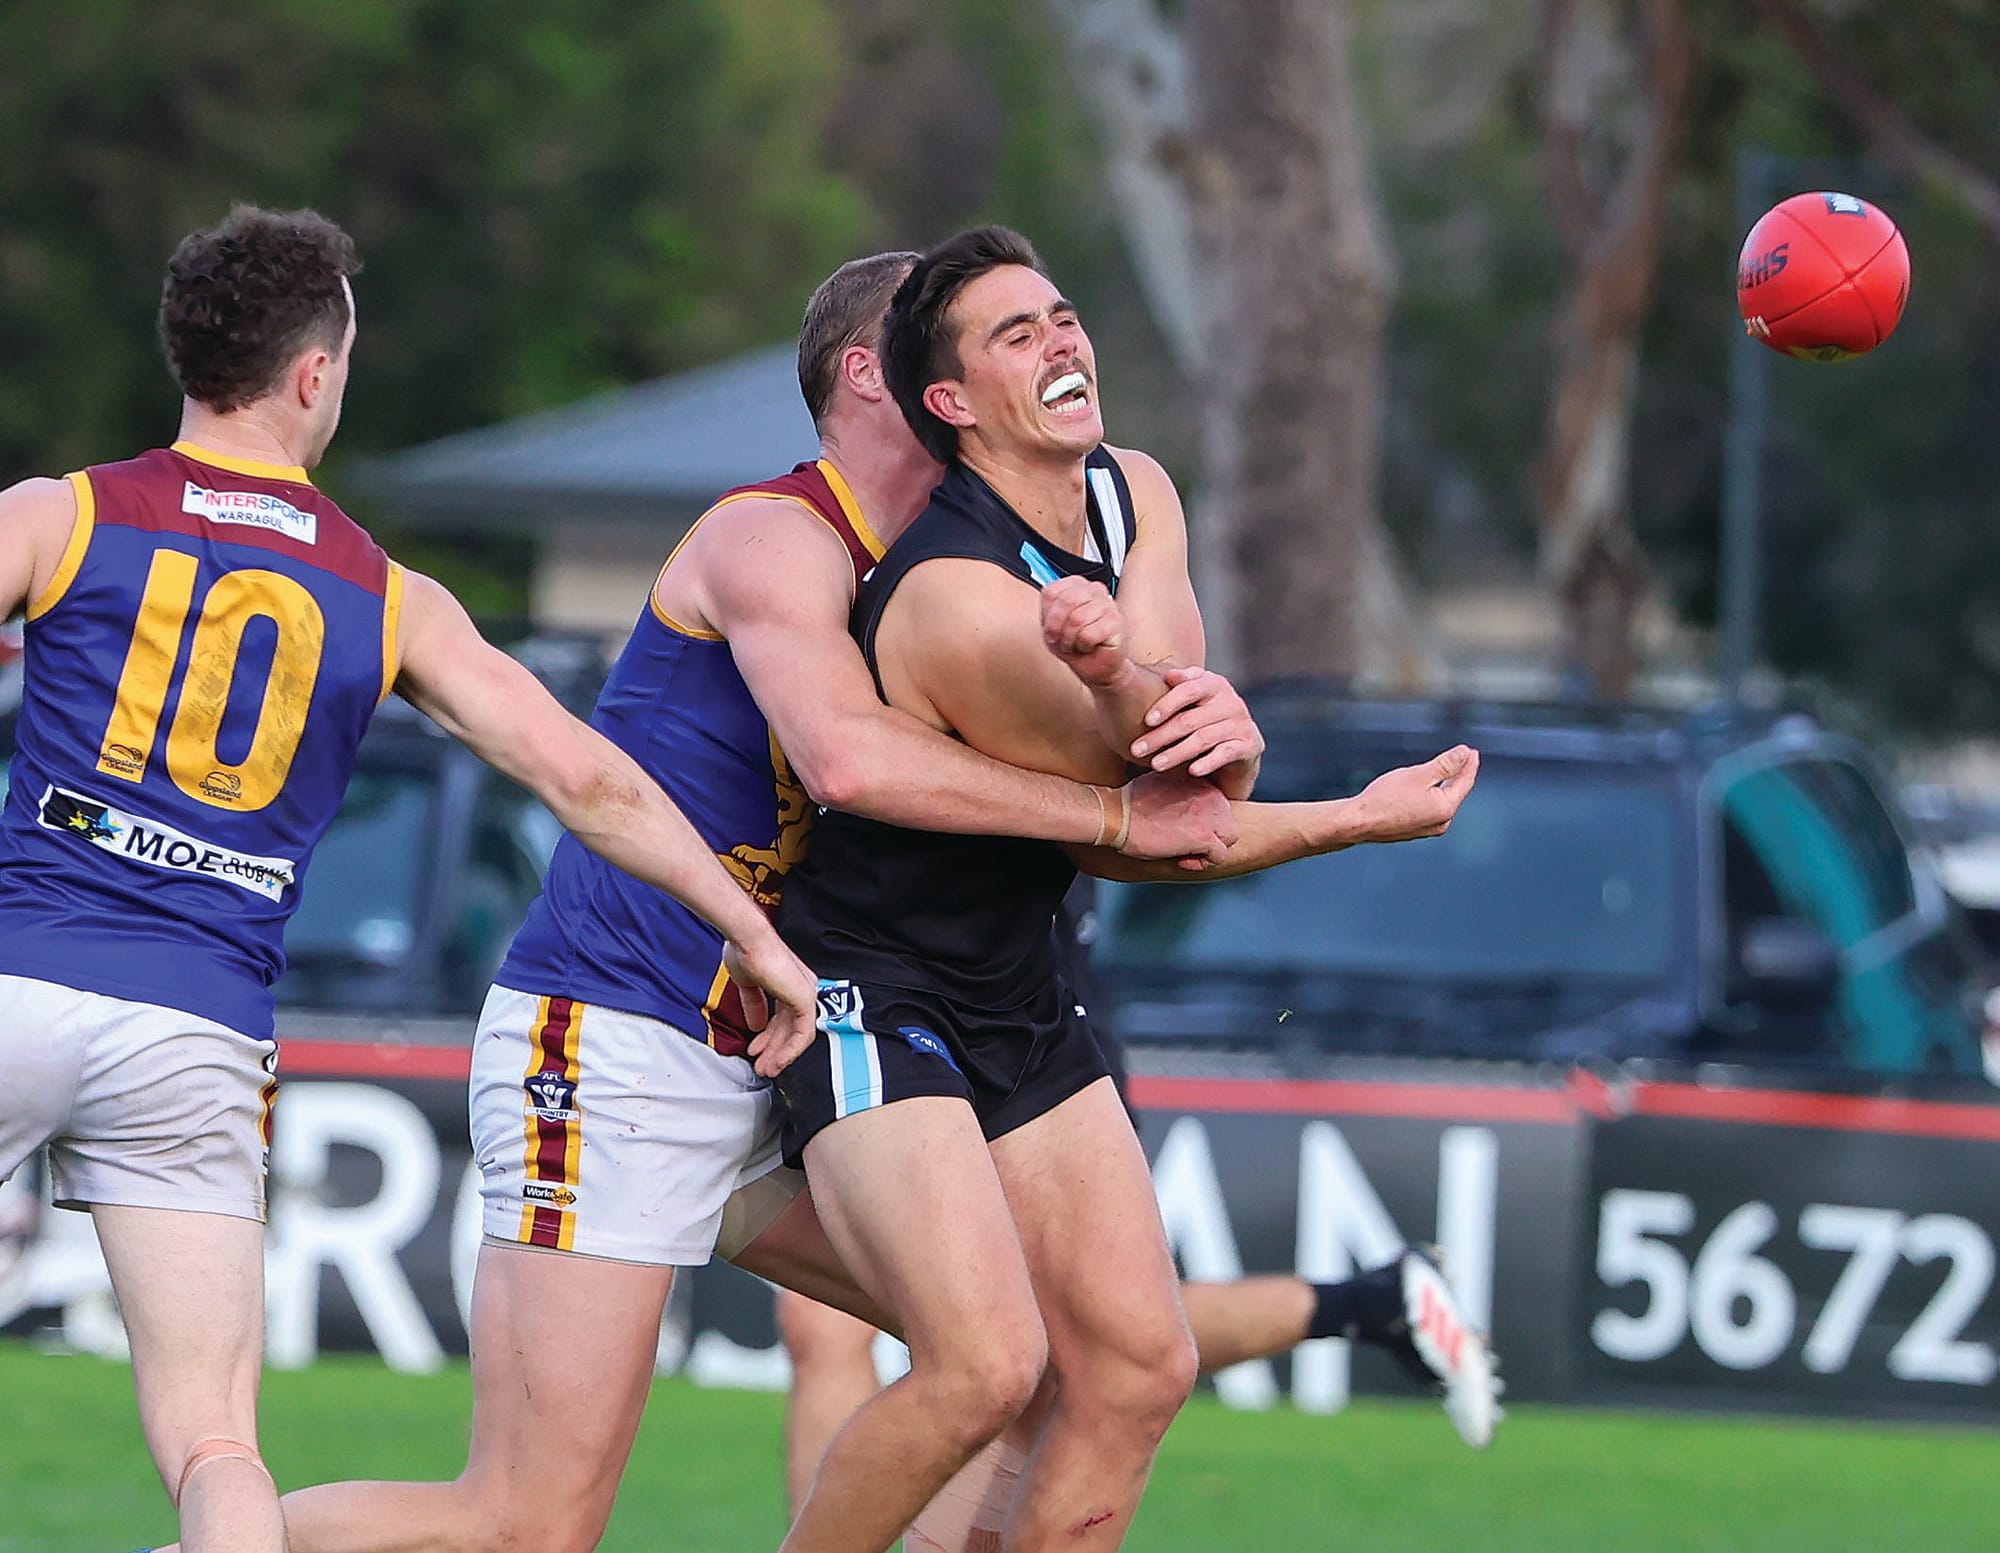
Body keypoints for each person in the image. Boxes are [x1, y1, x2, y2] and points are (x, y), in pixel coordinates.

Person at [167, 253, 1239, 1553]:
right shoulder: (775, 533)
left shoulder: (958, 567)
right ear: (874, 374)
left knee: (1031, 1368)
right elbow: (849, 760)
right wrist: (1119, 813)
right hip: (618, 1037)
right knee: (521, 1523)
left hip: (761, 1048)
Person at [0, 205, 822, 1553]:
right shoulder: (389, 597)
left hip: (21, 977)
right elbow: (596, 786)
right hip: (196, 1027)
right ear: (314, 374)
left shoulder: (65, 516)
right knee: (215, 1442)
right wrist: (758, 939)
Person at [768, 226, 1479, 1553]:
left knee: (1139, 1367)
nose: (1062, 343)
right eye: (1015, 335)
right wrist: (1360, 816)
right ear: (953, 403)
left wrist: (1152, 695)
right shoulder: (950, 599)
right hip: (870, 993)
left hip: (1018, 986)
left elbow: (1190, 735)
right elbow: (1157, 828)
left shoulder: (1135, 492)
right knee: (983, 1367)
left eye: (1064, 315)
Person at [775, 893, 1500, 1530]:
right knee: (1014, 1344)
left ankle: (1371, 1302)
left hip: (998, 1004)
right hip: (890, 985)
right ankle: (1373, 1301)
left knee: (1068, 1347)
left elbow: (1158, 803)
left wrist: (1338, 820)